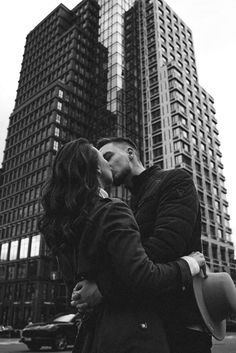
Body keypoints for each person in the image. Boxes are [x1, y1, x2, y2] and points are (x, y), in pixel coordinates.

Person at [38, 138, 205, 353]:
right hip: (133, 327)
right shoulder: (117, 207)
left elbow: (164, 249)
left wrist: (103, 288)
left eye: (109, 156)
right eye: (102, 159)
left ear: (130, 153)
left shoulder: (174, 180)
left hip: (178, 326)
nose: (106, 164)